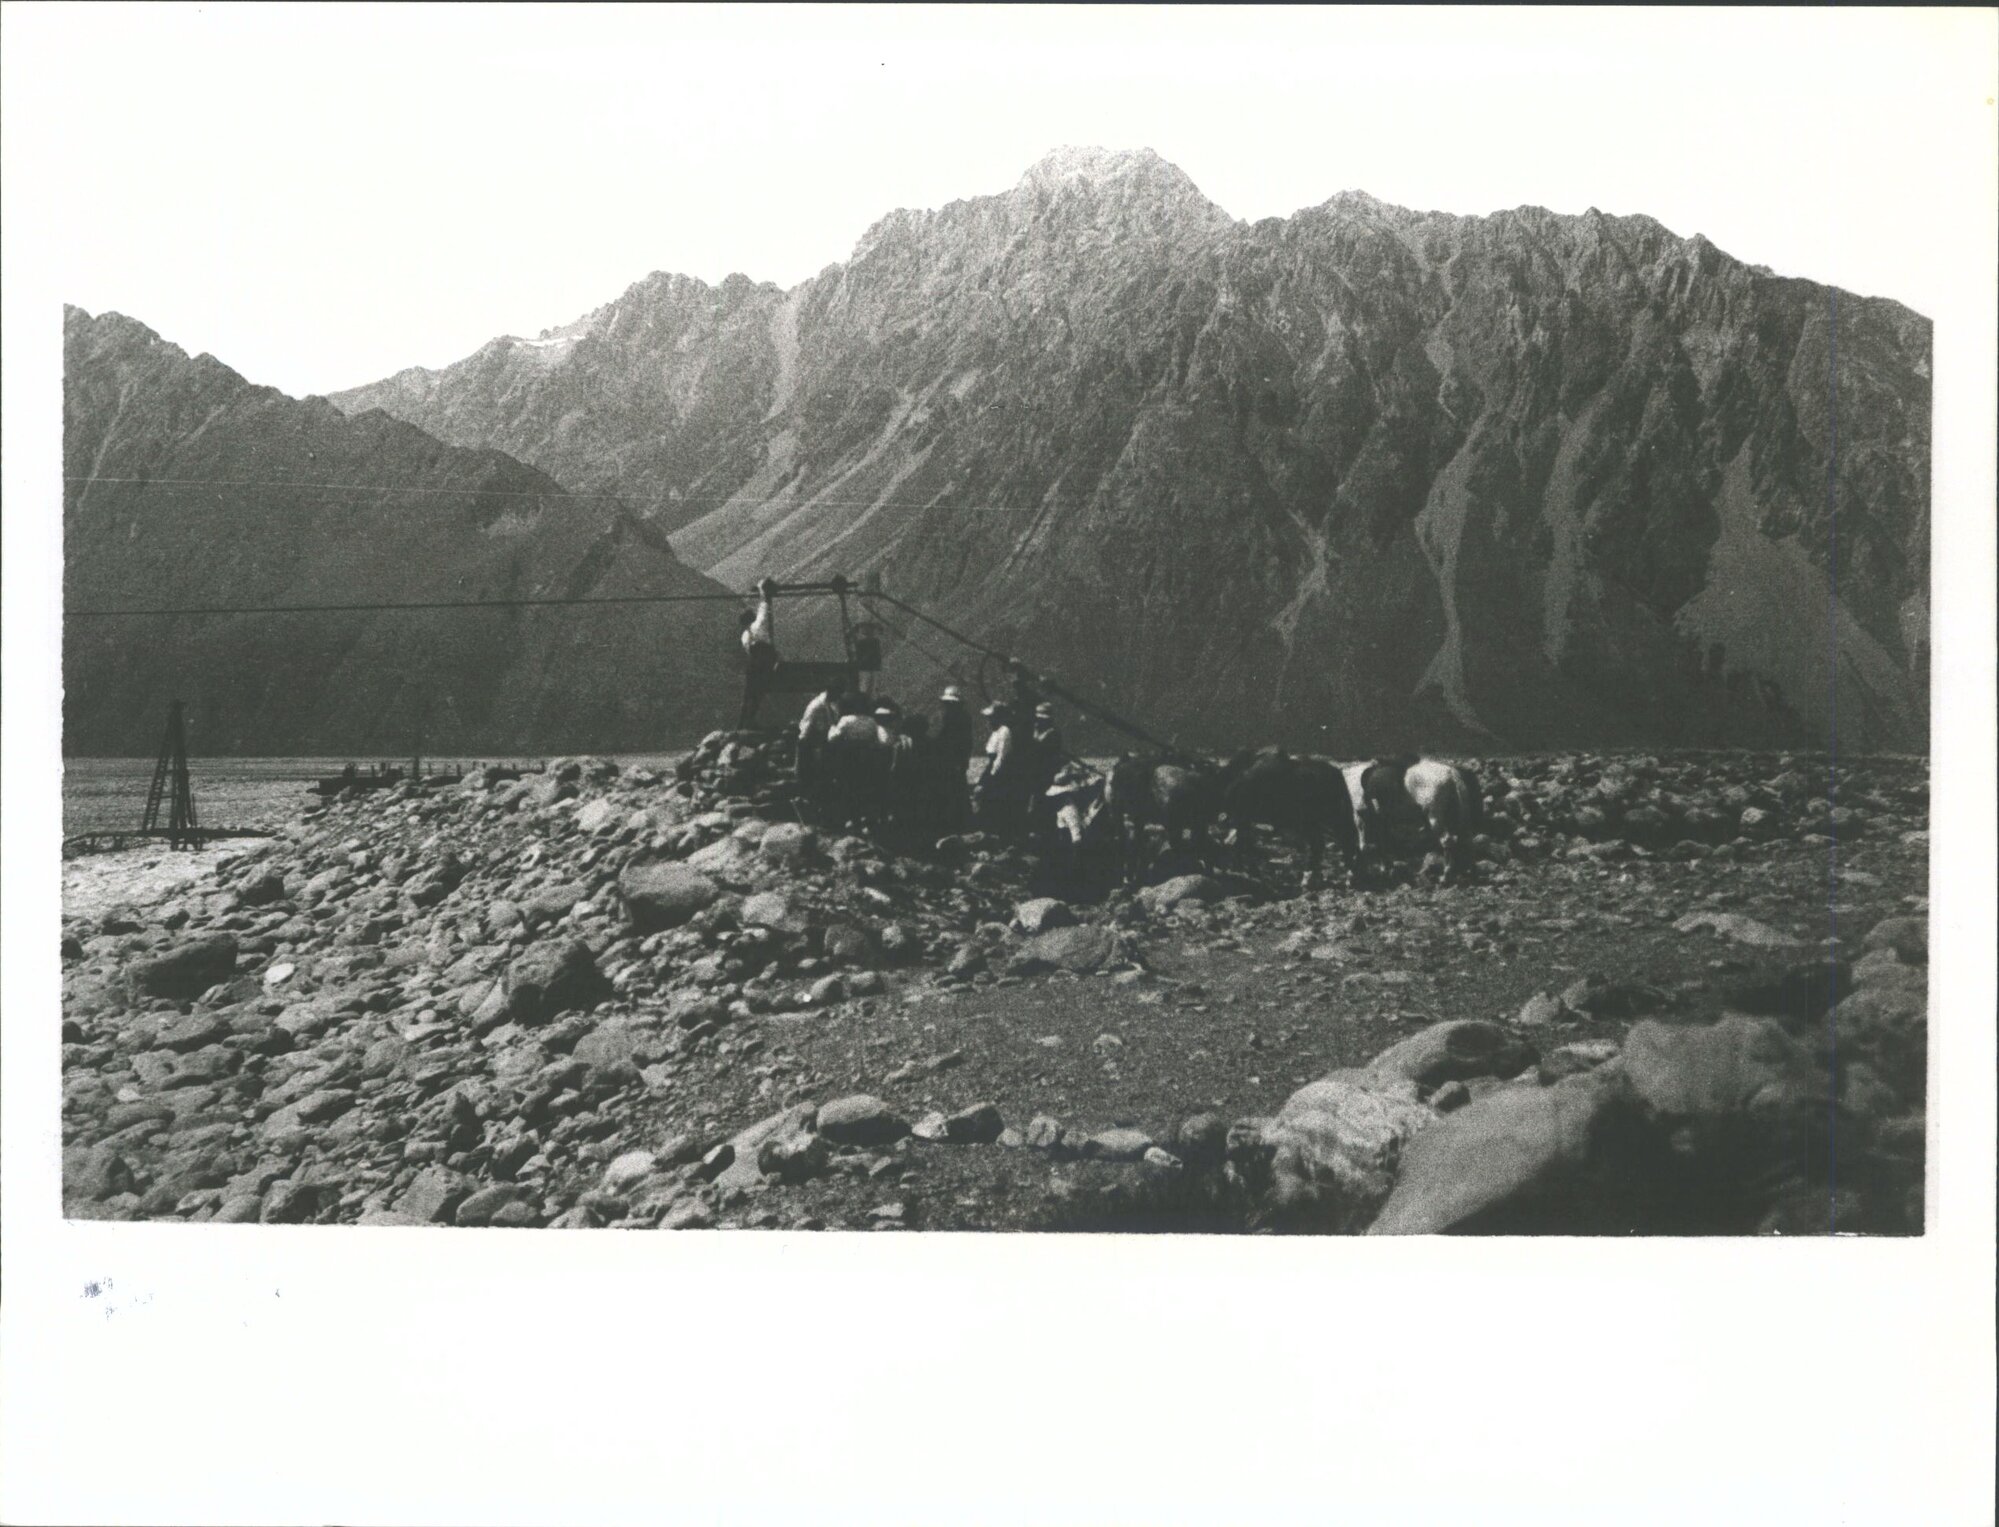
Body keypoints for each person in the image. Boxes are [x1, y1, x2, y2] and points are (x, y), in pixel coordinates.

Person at [737, 577, 779, 728]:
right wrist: (762, 591)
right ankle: (749, 721)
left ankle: (744, 722)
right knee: (758, 693)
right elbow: (764, 607)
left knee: (749, 695)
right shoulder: (758, 626)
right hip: (764, 663)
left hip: (753, 665)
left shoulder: (744, 636)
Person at [796, 687, 837, 789]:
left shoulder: (827, 704)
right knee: (809, 778)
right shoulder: (819, 706)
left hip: (816, 741)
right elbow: (814, 727)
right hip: (810, 742)